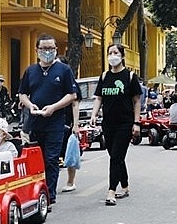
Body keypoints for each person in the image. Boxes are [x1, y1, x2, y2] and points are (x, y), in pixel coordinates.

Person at [18, 34, 76, 211]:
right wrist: (30, 105)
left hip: (55, 122)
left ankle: (49, 196)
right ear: (37, 50)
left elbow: (72, 95)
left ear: (56, 50)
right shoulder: (30, 71)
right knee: (37, 160)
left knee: (51, 159)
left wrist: (54, 107)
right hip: (35, 122)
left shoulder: (64, 70)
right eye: (44, 48)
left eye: (51, 48)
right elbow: (22, 94)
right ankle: (37, 193)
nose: (48, 52)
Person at [90, 43, 142, 206]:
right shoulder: (105, 76)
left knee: (116, 157)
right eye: (110, 52)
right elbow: (99, 97)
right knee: (115, 155)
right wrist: (94, 114)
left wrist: (137, 122)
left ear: (122, 56)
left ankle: (111, 191)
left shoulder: (130, 76)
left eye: (115, 52)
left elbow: (137, 100)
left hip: (125, 123)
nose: (112, 55)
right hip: (108, 123)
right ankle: (125, 186)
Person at [56, 55, 81, 193]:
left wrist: (75, 125)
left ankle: (71, 181)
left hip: (67, 123)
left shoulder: (71, 83)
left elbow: (75, 105)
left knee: (69, 153)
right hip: (52, 122)